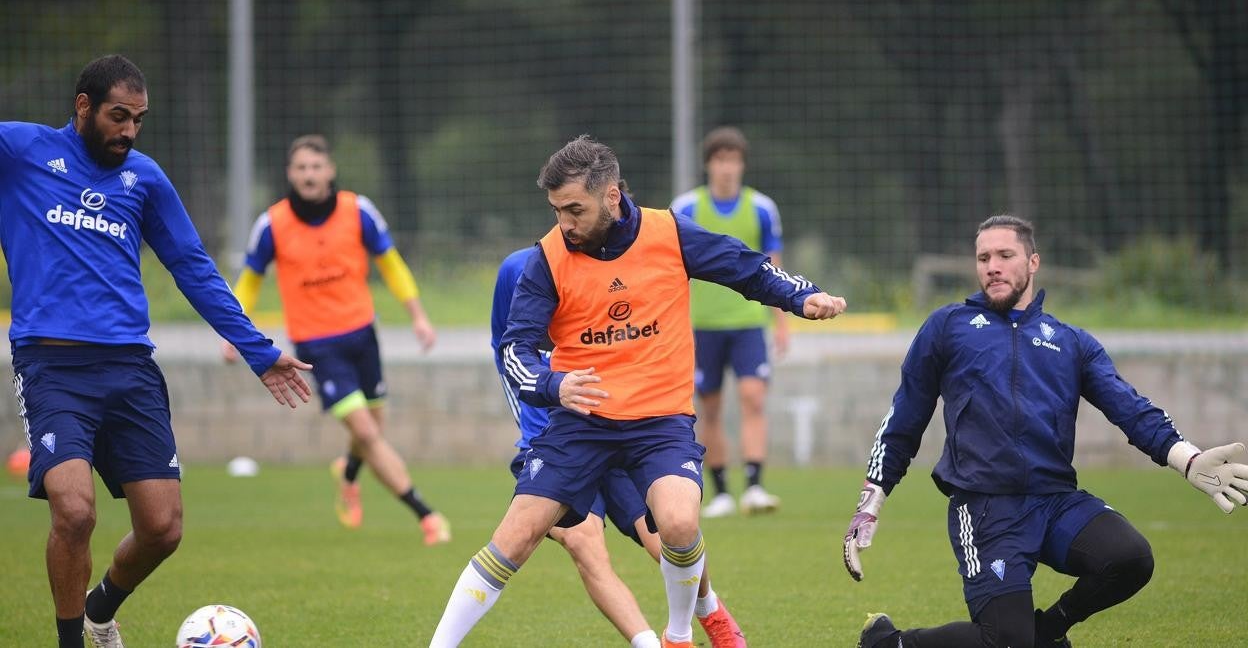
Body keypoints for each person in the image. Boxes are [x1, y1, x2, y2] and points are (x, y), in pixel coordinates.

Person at [431, 135, 846, 648]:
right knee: (514, 538)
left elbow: (747, 267)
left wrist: (801, 296)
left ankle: (677, 636)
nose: (564, 223)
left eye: (574, 210)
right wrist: (554, 384)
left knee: (676, 523)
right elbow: (514, 350)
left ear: (611, 196)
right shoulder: (547, 258)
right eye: (557, 210)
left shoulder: (668, 233)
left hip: (658, 422)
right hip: (580, 426)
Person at [0, 54, 313, 648]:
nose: (129, 132)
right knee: (74, 510)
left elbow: (193, 269)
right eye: (119, 117)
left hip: (129, 369)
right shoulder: (20, 152)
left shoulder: (143, 178)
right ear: (83, 106)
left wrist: (257, 350)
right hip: (51, 366)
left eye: (139, 120)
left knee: (162, 529)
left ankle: (101, 608)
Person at [844, 214, 1248, 648]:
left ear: (1033, 262)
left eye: (1005, 255)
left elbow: (1130, 409)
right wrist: (872, 499)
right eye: (983, 257)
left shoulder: (1070, 341)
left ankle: (1049, 630)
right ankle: (888, 643)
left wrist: (1187, 458)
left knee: (1131, 558)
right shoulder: (948, 327)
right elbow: (905, 416)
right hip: (985, 510)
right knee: (1006, 641)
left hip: (1055, 502)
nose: (992, 266)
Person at [491, 245, 746, 647]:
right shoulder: (518, 268)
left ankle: (709, 609)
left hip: (620, 429)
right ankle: (649, 644)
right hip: (558, 439)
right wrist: (531, 425)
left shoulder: (625, 262)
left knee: (666, 537)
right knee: (582, 542)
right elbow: (505, 353)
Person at [222, 134, 450, 544]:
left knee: (372, 430)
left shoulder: (357, 211)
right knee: (366, 432)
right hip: (316, 346)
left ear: (330, 171)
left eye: (316, 167)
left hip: (363, 335)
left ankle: (347, 474)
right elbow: (250, 281)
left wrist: (418, 317)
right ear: (290, 174)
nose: (309, 175)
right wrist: (233, 332)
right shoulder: (271, 224)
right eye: (301, 168)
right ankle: (427, 515)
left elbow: (391, 264)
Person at [671, 126, 787, 517]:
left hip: (748, 322)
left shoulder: (761, 208)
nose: (727, 168)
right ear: (709, 165)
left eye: (733, 160)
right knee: (712, 407)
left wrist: (782, 321)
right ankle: (720, 490)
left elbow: (773, 267)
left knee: (754, 398)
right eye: (720, 160)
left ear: (741, 165)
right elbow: (672, 269)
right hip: (701, 325)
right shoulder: (686, 208)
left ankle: (754, 485)